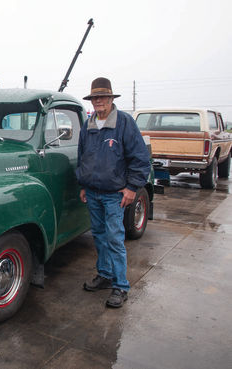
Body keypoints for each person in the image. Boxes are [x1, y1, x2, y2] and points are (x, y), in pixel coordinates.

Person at [76, 77, 151, 308]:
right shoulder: (88, 125)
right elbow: (82, 158)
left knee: (115, 239)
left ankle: (120, 286)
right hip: (93, 193)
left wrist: (131, 188)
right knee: (98, 235)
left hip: (114, 195)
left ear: (111, 99)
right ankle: (105, 275)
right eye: (95, 98)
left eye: (103, 97)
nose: (99, 101)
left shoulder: (124, 123)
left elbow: (140, 159)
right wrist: (83, 185)